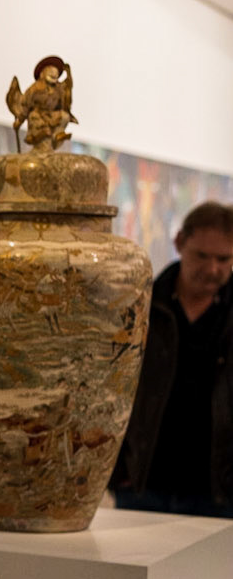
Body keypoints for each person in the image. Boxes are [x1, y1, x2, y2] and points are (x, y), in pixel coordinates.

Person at [112, 200, 233, 516]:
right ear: (180, 242)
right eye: (202, 256)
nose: (212, 269)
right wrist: (121, 469)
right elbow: (114, 386)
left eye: (224, 259)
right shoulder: (142, 306)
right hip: (144, 484)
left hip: (218, 493)